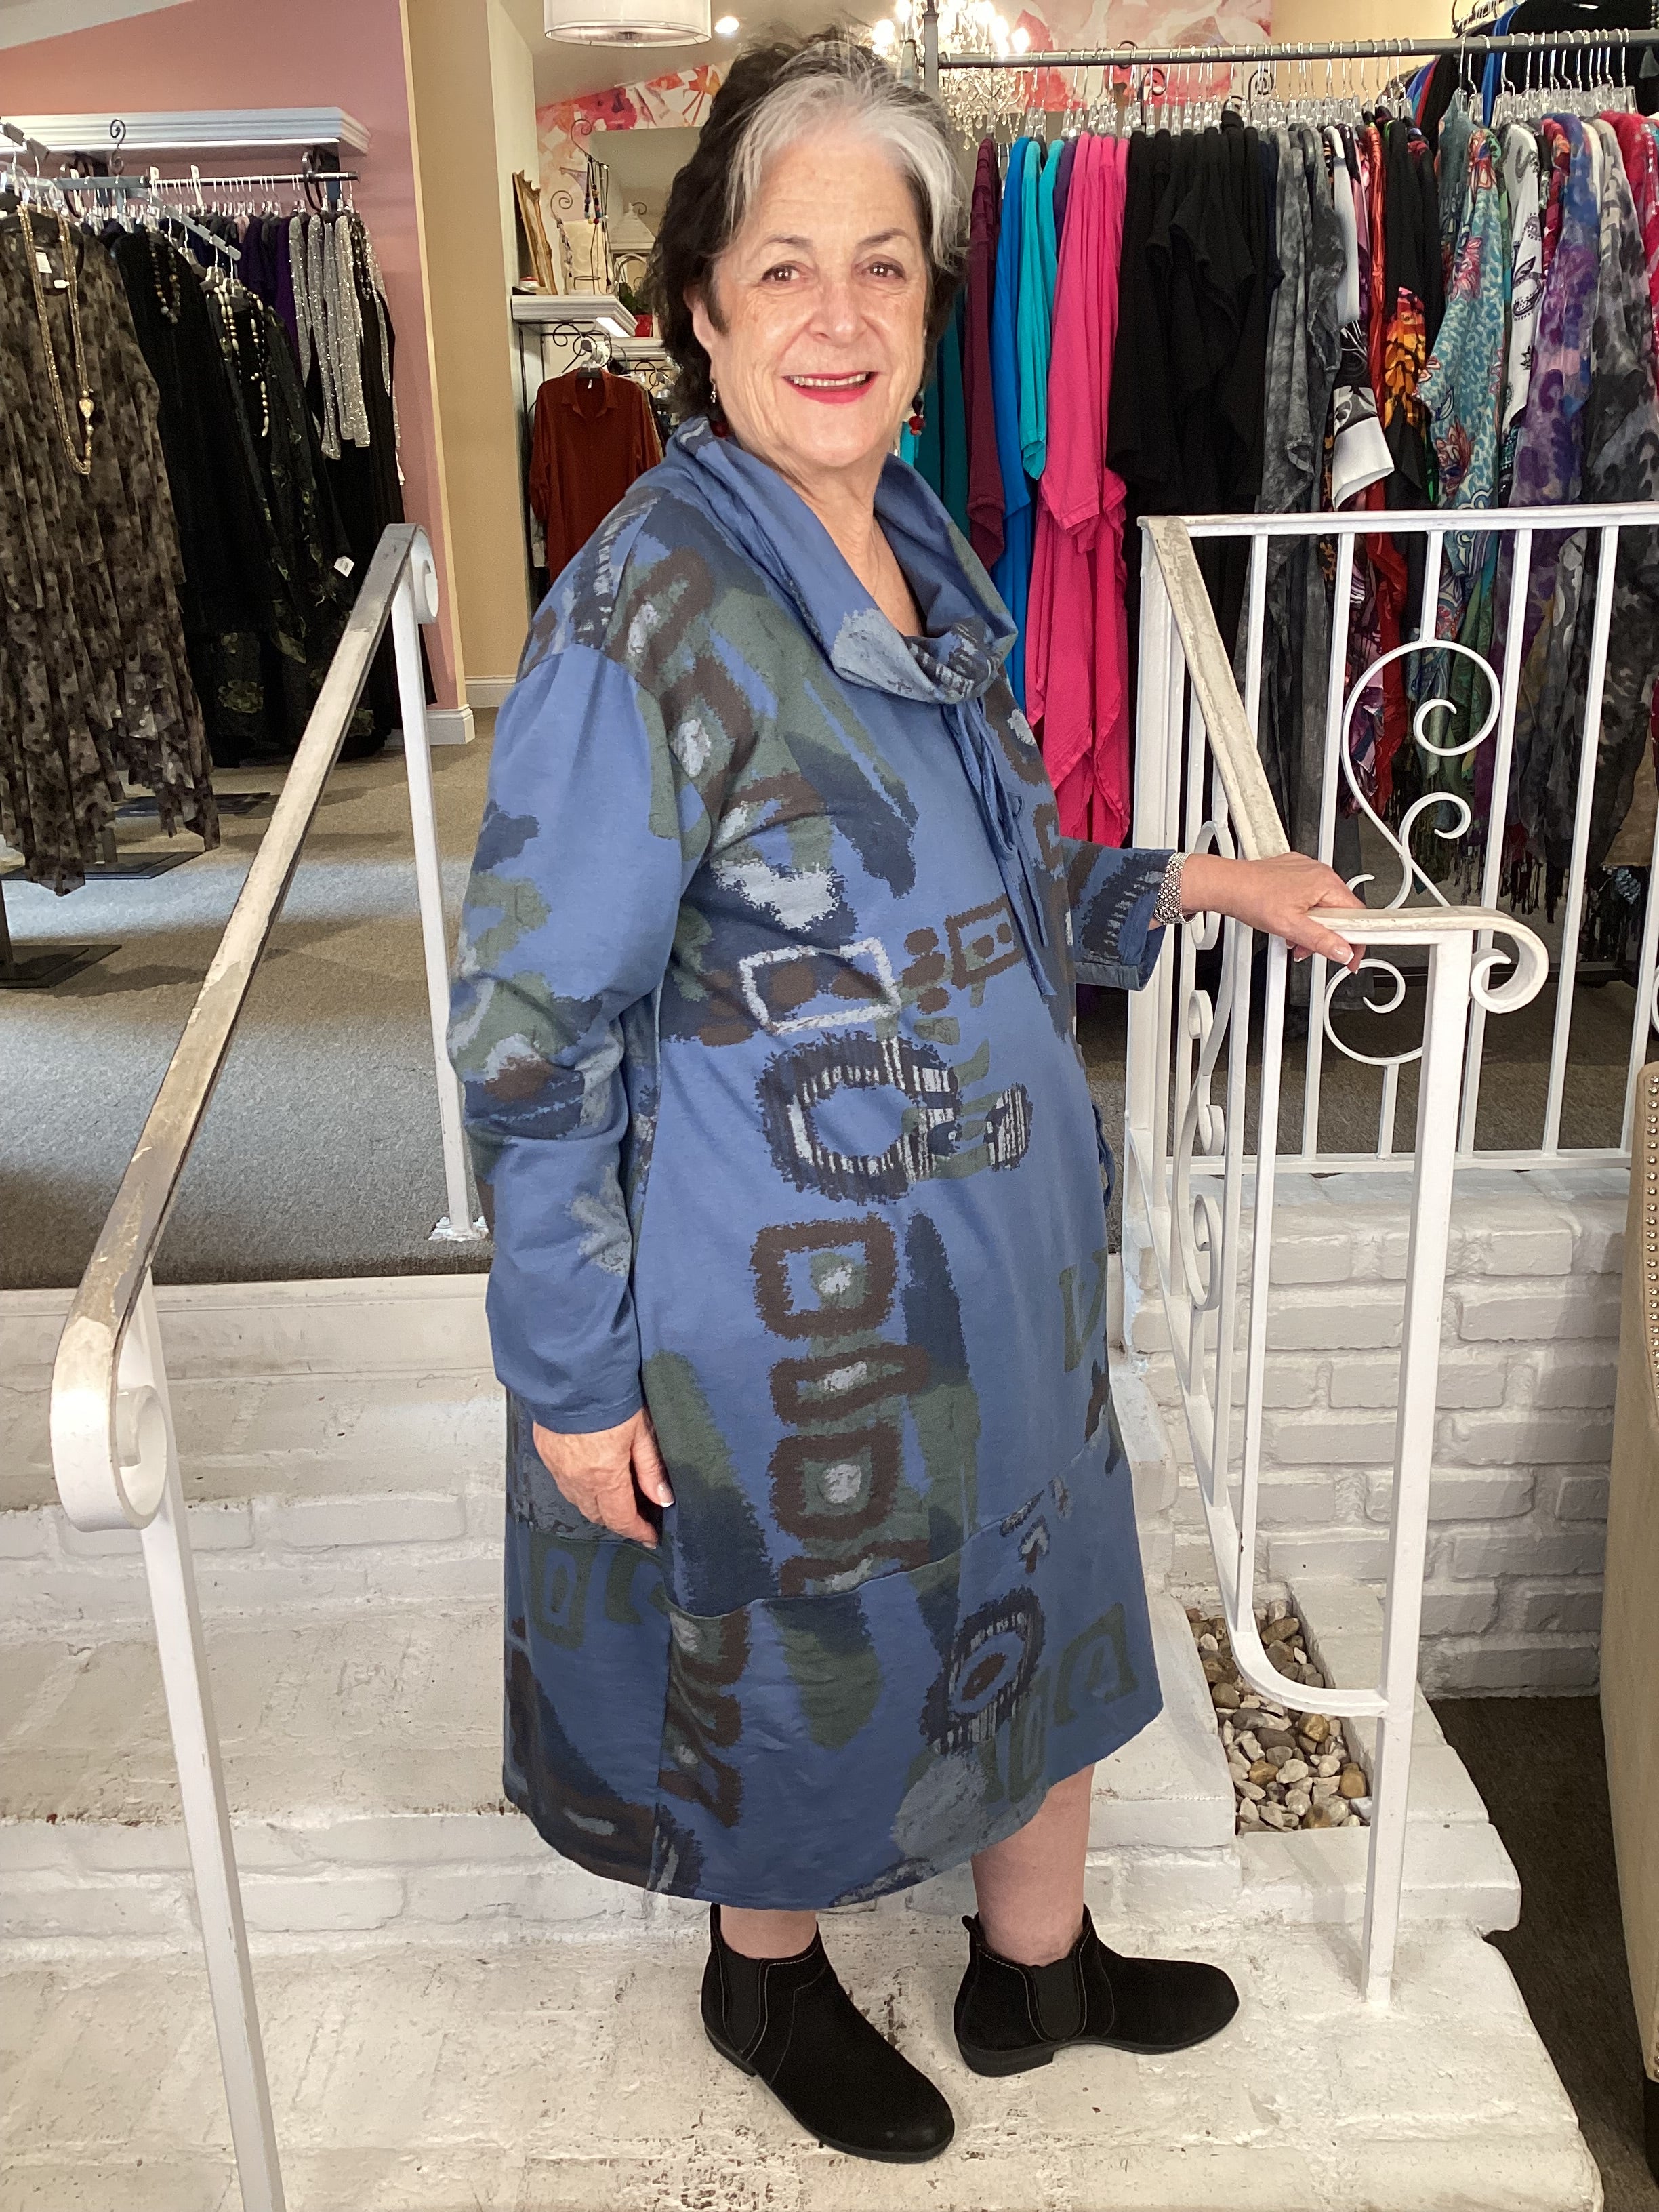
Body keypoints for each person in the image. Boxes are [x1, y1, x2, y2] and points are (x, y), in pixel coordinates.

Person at [449, 33, 1366, 2165]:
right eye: (786, 268)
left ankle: (1037, 1968)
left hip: (1005, 1266)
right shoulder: (650, 610)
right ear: (700, 307)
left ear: (938, 310)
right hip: (793, 1313)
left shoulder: (919, 543)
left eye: (883, 266)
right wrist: (571, 1376)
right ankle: (763, 1981)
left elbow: (989, 877)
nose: (839, 315)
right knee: (802, 1659)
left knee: (1049, 1591)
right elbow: (533, 1031)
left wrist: (1199, 883)